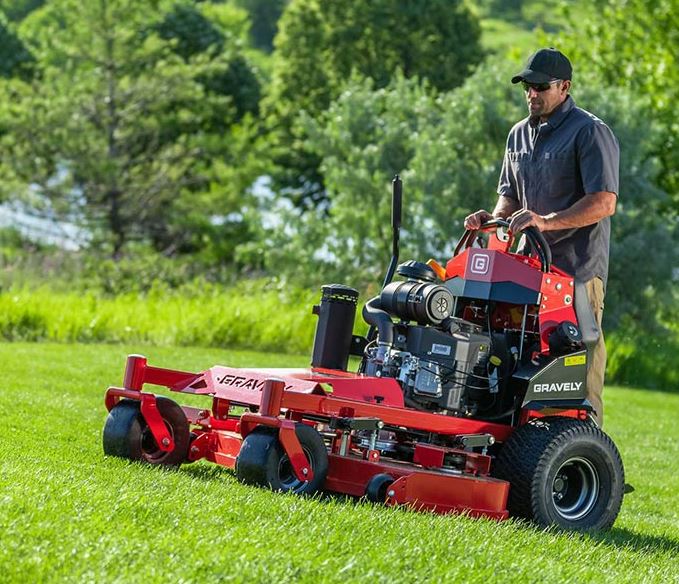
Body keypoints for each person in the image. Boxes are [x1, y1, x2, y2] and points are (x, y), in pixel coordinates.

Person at [464, 48, 619, 427]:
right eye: (527, 87)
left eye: (540, 87)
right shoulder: (517, 134)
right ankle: (523, 459)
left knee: (578, 376)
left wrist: (546, 222)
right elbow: (510, 196)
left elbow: (604, 202)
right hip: (528, 276)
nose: (532, 93)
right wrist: (493, 219)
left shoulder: (590, 131)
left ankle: (587, 459)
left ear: (564, 87)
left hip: (578, 275)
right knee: (524, 367)